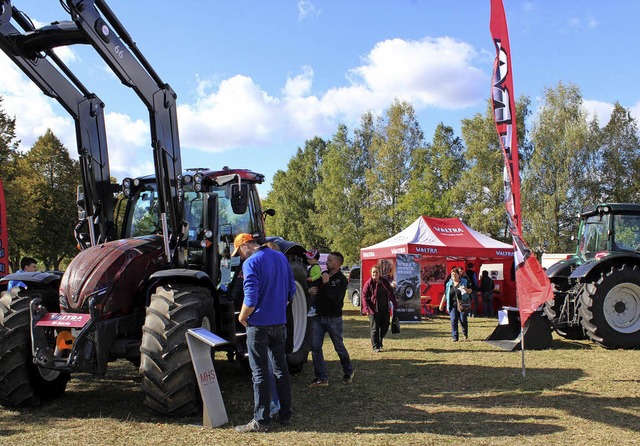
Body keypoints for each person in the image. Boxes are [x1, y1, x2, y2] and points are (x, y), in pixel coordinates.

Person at [233, 233, 295, 433]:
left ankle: (261, 420)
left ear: (244, 246)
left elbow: (250, 297)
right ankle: (285, 413)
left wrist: (242, 318)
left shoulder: (251, 262)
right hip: (279, 323)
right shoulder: (281, 257)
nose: (240, 257)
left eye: (239, 252)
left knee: (259, 373)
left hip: (258, 325)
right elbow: (291, 290)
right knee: (281, 369)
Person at [307, 251, 354, 387]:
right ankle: (321, 377)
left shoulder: (341, 279)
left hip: (333, 319)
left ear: (338, 264)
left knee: (338, 347)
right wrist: (309, 291)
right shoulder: (323, 275)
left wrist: (327, 284)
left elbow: (335, 299)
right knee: (315, 347)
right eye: (327, 259)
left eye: (330, 260)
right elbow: (312, 287)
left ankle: (348, 371)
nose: (326, 262)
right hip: (318, 317)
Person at [361, 265, 397, 352]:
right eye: (373, 272)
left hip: (384, 309)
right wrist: (366, 309)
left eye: (376, 272)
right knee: (375, 328)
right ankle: (375, 346)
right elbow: (364, 296)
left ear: (379, 273)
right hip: (373, 310)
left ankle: (380, 341)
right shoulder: (369, 283)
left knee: (385, 326)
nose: (375, 274)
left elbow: (391, 293)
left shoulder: (384, 282)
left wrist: (395, 304)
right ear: (371, 273)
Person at [438, 267, 471, 341]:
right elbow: (445, 294)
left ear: (458, 275)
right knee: (453, 320)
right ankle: (455, 337)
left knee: (463, 320)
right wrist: (441, 304)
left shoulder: (464, 282)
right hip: (452, 304)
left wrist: (465, 289)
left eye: (455, 274)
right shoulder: (449, 284)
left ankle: (465, 334)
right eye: (452, 275)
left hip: (462, 304)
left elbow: (470, 291)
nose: (454, 276)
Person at [305, 248, 322, 317]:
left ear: (316, 259)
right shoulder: (311, 267)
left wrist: (312, 279)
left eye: (310, 259)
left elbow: (318, 275)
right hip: (311, 283)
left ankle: (313, 309)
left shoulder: (316, 267)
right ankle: (311, 308)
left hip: (314, 283)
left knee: (313, 297)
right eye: (308, 259)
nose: (308, 260)